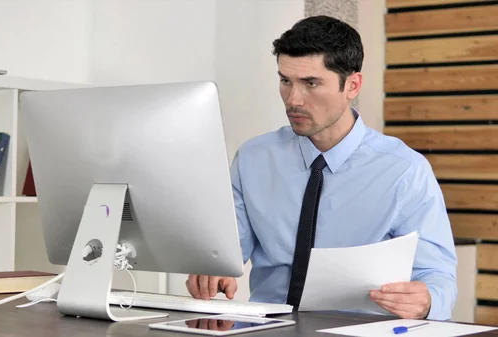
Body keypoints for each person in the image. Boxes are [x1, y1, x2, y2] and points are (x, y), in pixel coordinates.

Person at [185, 15, 457, 321]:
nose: (293, 100)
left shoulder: (405, 170)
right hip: (265, 329)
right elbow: (226, 254)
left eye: (310, 83)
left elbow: (437, 276)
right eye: (285, 81)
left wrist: (426, 301)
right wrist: (212, 270)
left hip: (358, 330)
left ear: (352, 85)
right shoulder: (253, 158)